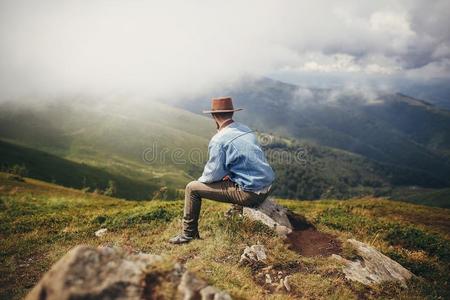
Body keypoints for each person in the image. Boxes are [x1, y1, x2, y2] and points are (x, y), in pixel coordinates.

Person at [169, 97, 275, 244]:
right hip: (267, 187)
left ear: (214, 116)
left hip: (250, 194)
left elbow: (212, 174)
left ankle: (188, 235)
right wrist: (229, 176)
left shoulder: (219, 139)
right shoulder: (245, 129)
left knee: (192, 188)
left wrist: (203, 182)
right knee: (217, 180)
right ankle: (189, 234)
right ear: (231, 113)